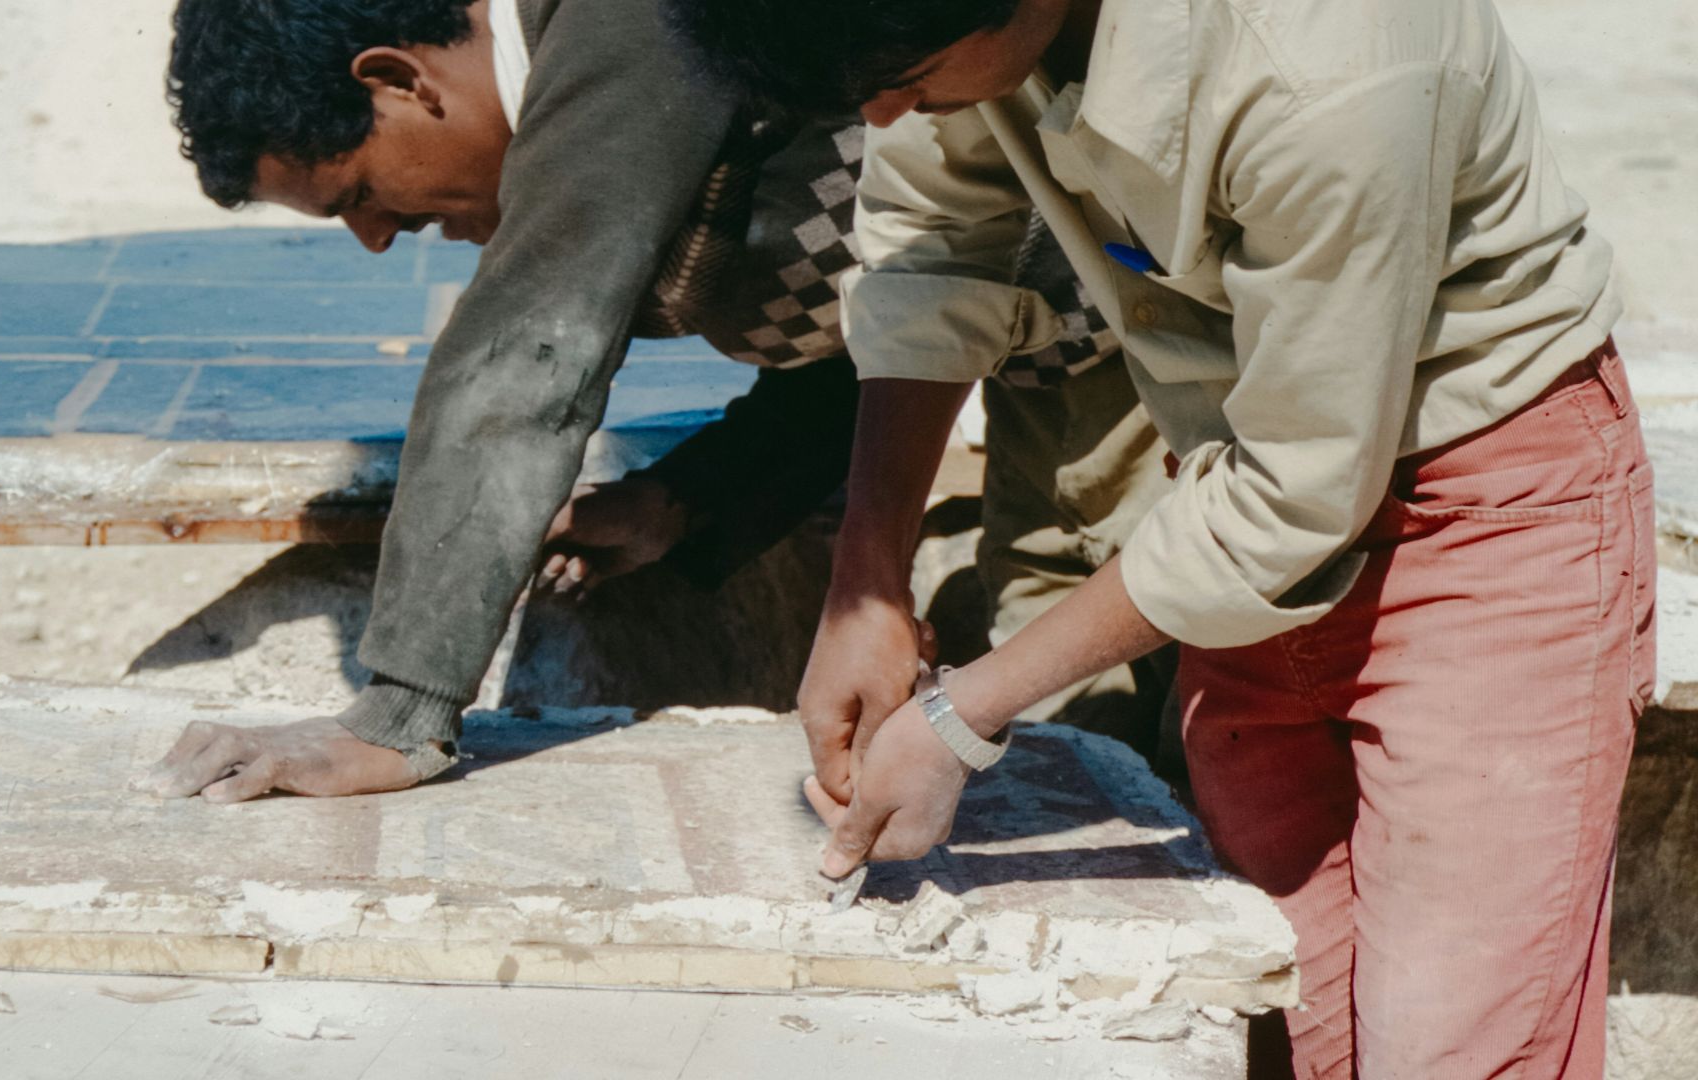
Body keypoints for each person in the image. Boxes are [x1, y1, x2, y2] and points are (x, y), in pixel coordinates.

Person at [669, 0, 1653, 1076]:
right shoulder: (953, 29)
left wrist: (961, 716)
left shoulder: (1328, 64)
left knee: (1453, 1049)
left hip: (1482, 521)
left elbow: (1292, 493)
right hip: (1230, 513)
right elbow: (935, 245)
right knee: (1283, 1012)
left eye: (910, 71)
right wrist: (866, 585)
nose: (884, 107)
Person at [135, 0, 1166, 805]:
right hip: (1052, 371)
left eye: (356, 193)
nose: (373, 236)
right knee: (1075, 700)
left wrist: (397, 712)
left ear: (399, 81)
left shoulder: (627, 23)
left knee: (1149, 717)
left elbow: (528, 347)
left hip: (1159, 351)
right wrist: (688, 499)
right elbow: (877, 334)